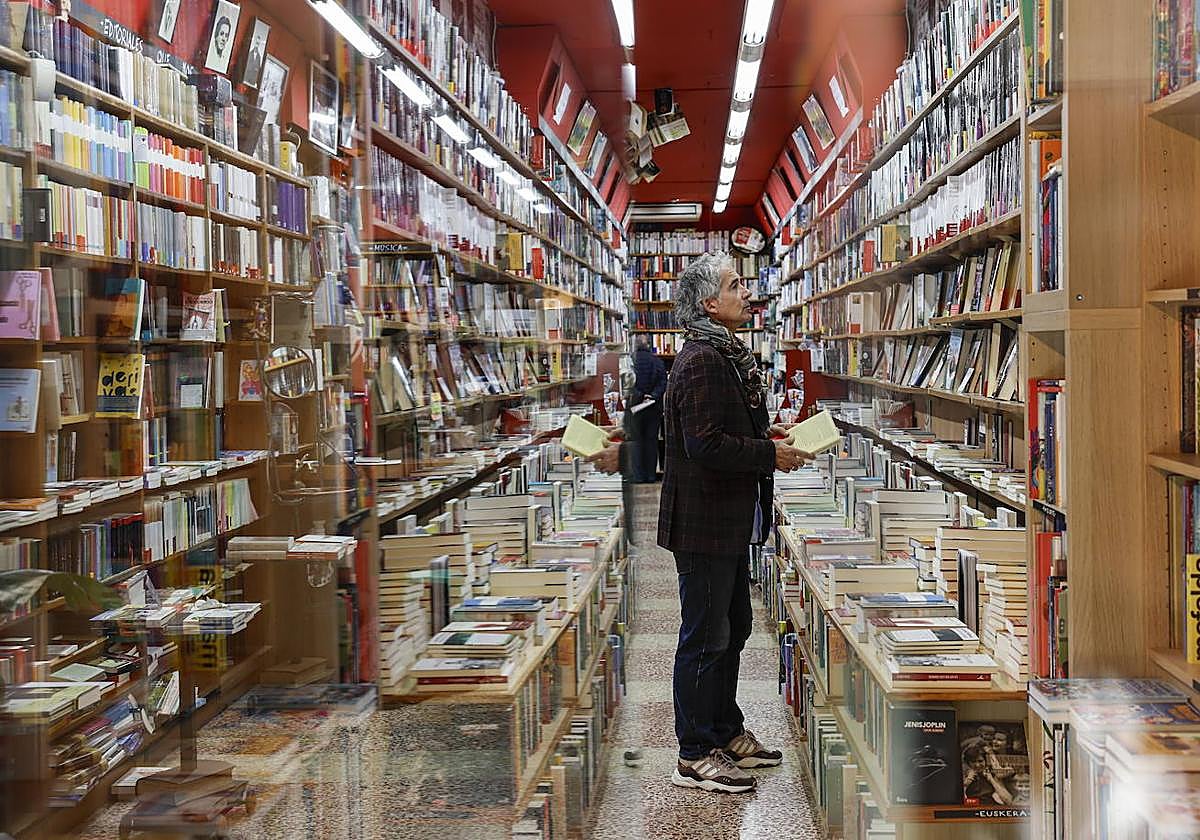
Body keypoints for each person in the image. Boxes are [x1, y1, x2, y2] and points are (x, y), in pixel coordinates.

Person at [656, 252, 812, 794]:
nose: (747, 293)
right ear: (708, 303)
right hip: (703, 523)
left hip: (725, 519)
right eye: (735, 284)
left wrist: (765, 440)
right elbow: (704, 444)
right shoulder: (702, 360)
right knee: (705, 636)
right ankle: (695, 753)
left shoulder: (722, 354)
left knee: (734, 628)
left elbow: (722, 431)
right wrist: (769, 455)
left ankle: (724, 730)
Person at [630, 338, 667, 482]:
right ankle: (651, 475)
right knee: (651, 441)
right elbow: (663, 382)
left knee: (637, 441)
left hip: (635, 407)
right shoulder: (657, 361)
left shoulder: (631, 361)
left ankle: (639, 476)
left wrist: (640, 395)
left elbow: (629, 383)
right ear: (649, 345)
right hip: (653, 407)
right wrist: (652, 396)